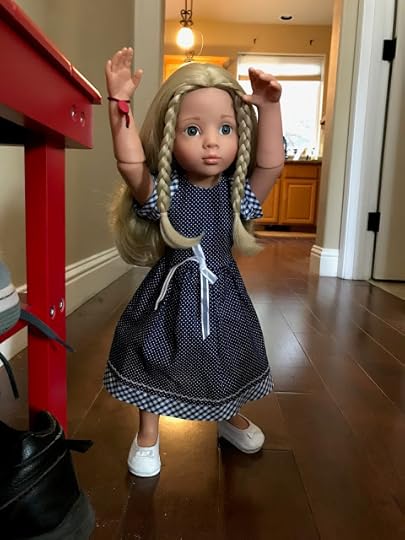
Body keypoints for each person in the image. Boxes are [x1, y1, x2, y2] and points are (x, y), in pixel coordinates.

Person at [103, 47, 284, 478]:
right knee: (153, 353)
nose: (211, 141)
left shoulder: (236, 196)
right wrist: (119, 106)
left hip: (224, 294)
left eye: (225, 128)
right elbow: (130, 164)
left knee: (227, 354)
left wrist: (270, 109)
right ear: (170, 136)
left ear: (240, 134)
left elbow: (271, 165)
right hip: (170, 292)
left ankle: (226, 414)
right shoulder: (167, 195)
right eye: (192, 129)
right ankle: (148, 432)